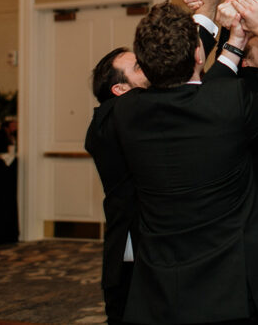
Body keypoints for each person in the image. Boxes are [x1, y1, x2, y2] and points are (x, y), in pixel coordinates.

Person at [114, 0, 258, 325]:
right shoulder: (228, 101)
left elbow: (197, 98)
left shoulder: (126, 112)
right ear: (199, 55)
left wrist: (235, 43)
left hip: (163, 284)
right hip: (233, 283)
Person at [87, 47, 149, 325]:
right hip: (134, 237)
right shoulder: (109, 117)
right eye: (138, 67)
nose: (147, 65)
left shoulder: (136, 109)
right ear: (120, 89)